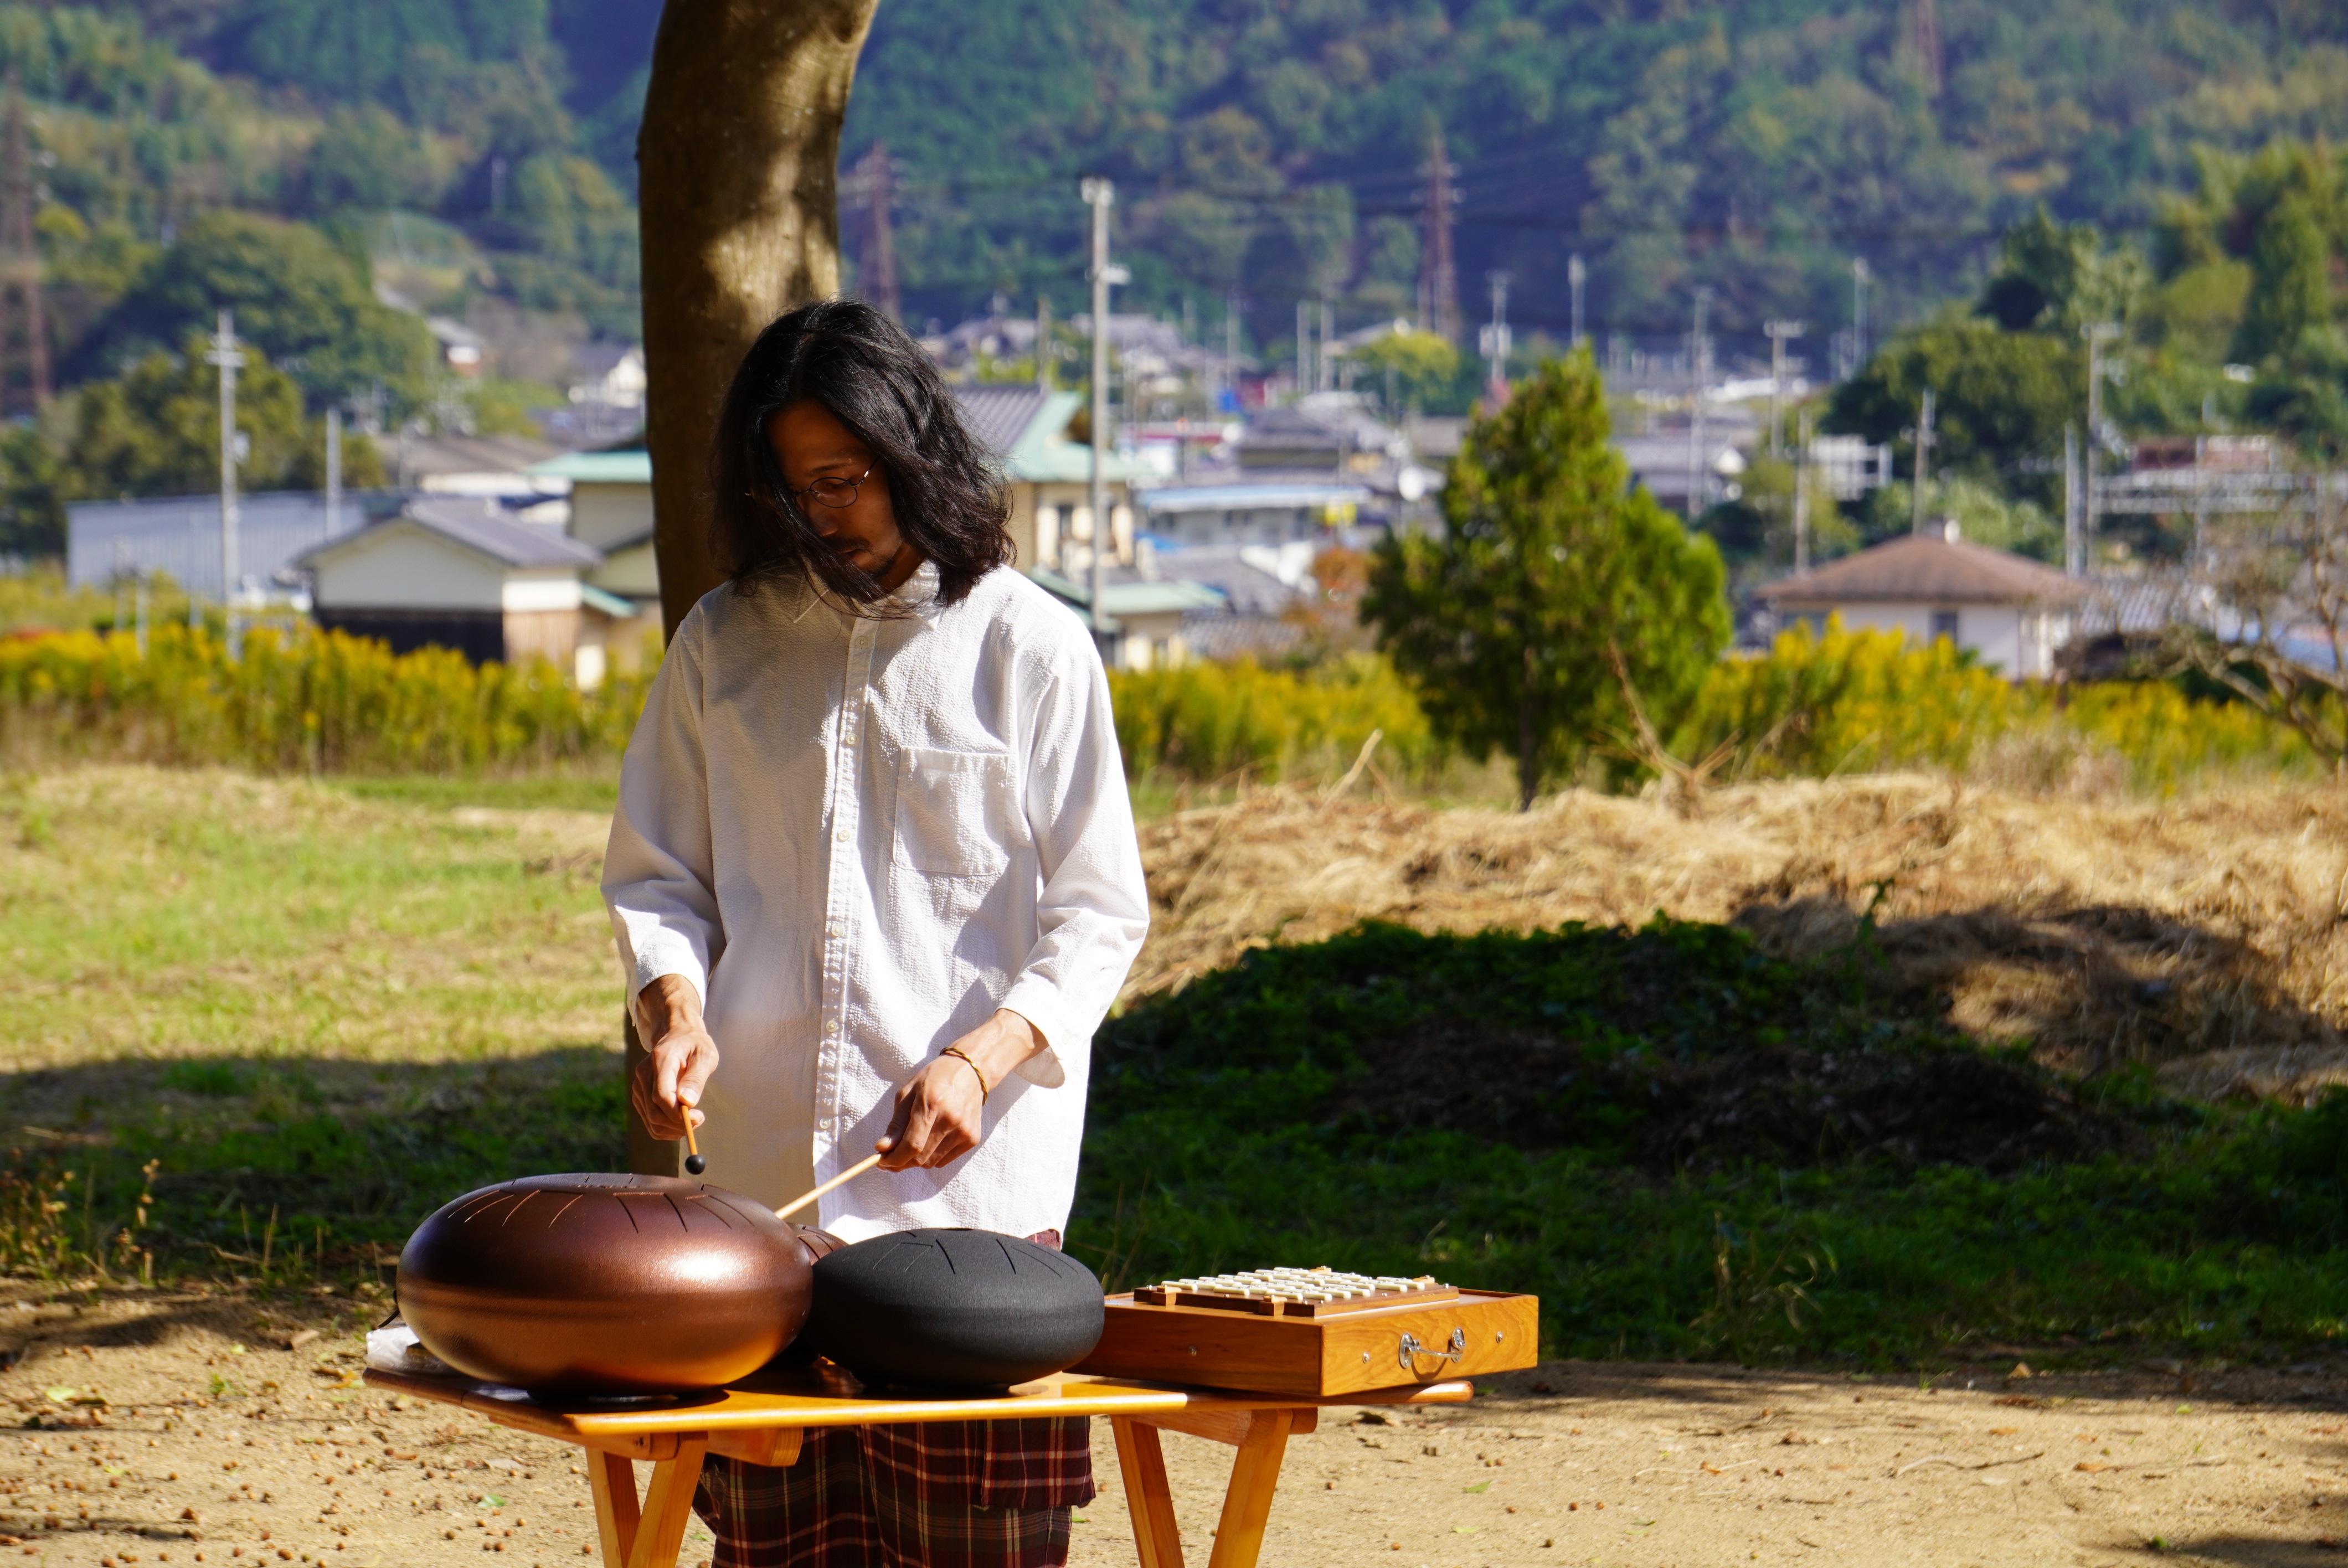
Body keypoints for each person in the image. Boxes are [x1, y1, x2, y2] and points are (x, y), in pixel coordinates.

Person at [600, 297, 1151, 1567]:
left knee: (975, 1545)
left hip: (965, 1216)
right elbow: (658, 875)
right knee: (772, 1542)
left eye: (844, 479)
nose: (821, 514)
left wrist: (980, 1060)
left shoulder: (1028, 645)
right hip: (759, 1210)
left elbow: (1099, 911)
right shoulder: (724, 641)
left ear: (912, 453)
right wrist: (672, 1006)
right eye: (791, 488)